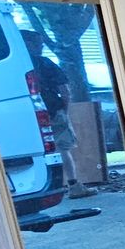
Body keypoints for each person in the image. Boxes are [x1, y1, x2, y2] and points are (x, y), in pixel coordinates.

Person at [21, 29, 94, 200]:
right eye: (37, 43)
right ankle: (73, 185)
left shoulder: (17, 66)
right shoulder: (45, 64)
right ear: (27, 44)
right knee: (62, 148)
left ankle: (41, 186)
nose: (41, 47)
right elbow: (65, 91)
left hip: (27, 115)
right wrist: (64, 111)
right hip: (53, 112)